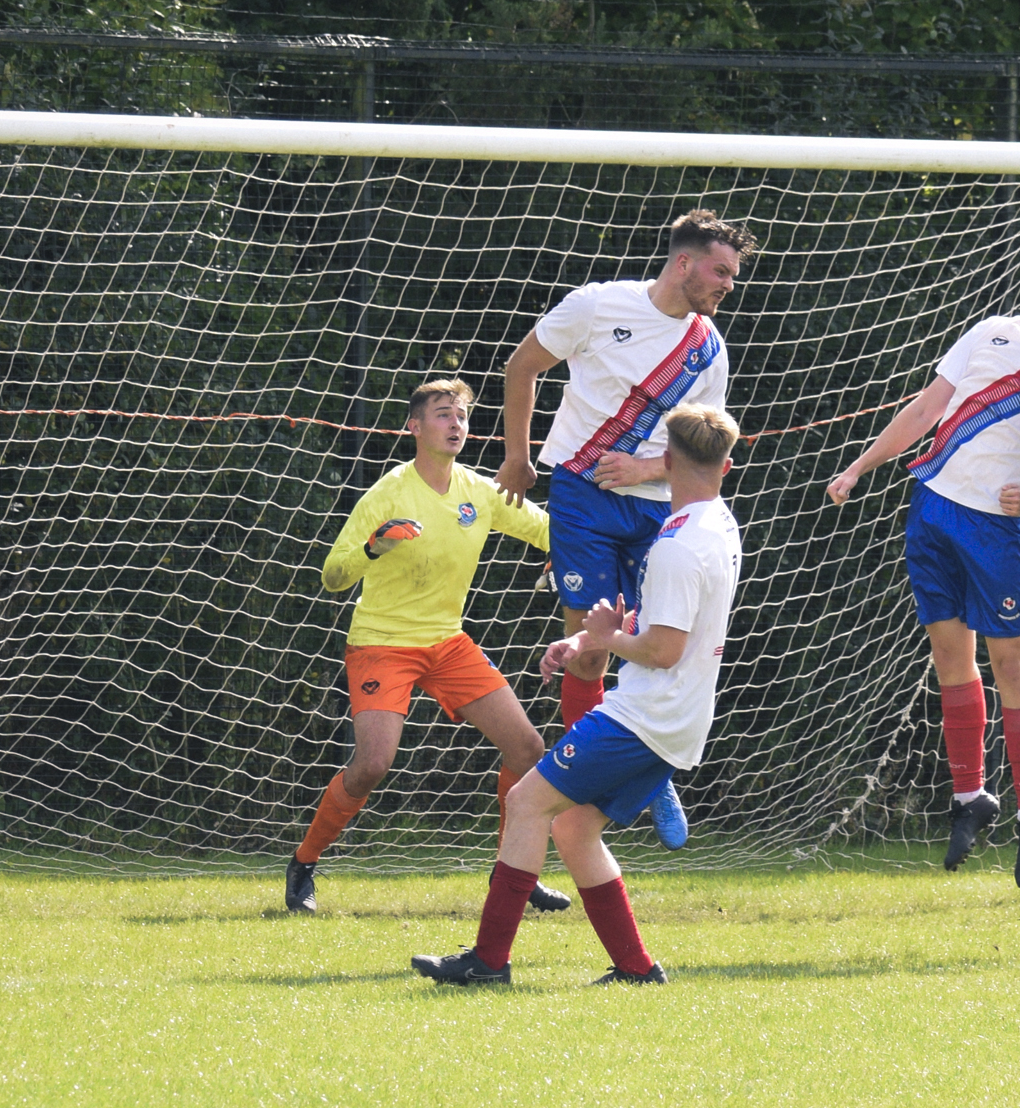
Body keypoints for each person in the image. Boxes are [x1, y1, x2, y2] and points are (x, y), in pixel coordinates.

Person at [412, 403, 742, 986]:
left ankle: (488, 963)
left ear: (665, 461)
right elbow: (670, 626)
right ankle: (638, 970)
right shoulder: (717, 523)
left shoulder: (678, 544)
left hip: (644, 718)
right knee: (572, 828)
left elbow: (664, 651)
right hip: (677, 720)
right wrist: (589, 640)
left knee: (527, 803)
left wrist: (609, 639)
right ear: (726, 464)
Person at [498, 208, 756, 851]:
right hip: (581, 496)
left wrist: (644, 466)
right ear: (684, 263)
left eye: (733, 275)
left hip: (656, 509)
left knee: (653, 646)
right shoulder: (596, 305)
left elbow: (706, 444)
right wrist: (517, 457)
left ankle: (649, 780)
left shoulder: (708, 349)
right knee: (590, 643)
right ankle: (592, 792)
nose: (728, 284)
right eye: (721, 271)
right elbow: (521, 365)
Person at [825, 244, 1020, 888]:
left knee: (1012, 666)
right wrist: (860, 466)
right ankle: (970, 799)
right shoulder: (989, 331)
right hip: (932, 509)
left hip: (996, 529)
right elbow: (923, 408)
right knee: (949, 658)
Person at [285, 378, 570, 916]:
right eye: (443, 414)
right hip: (382, 644)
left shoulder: (480, 492)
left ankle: (514, 872)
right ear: (414, 427)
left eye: (461, 414)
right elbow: (332, 575)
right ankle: (304, 862)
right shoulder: (389, 493)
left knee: (529, 750)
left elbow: (548, 530)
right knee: (372, 764)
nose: (456, 423)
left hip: (447, 642)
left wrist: (579, 547)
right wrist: (375, 545)